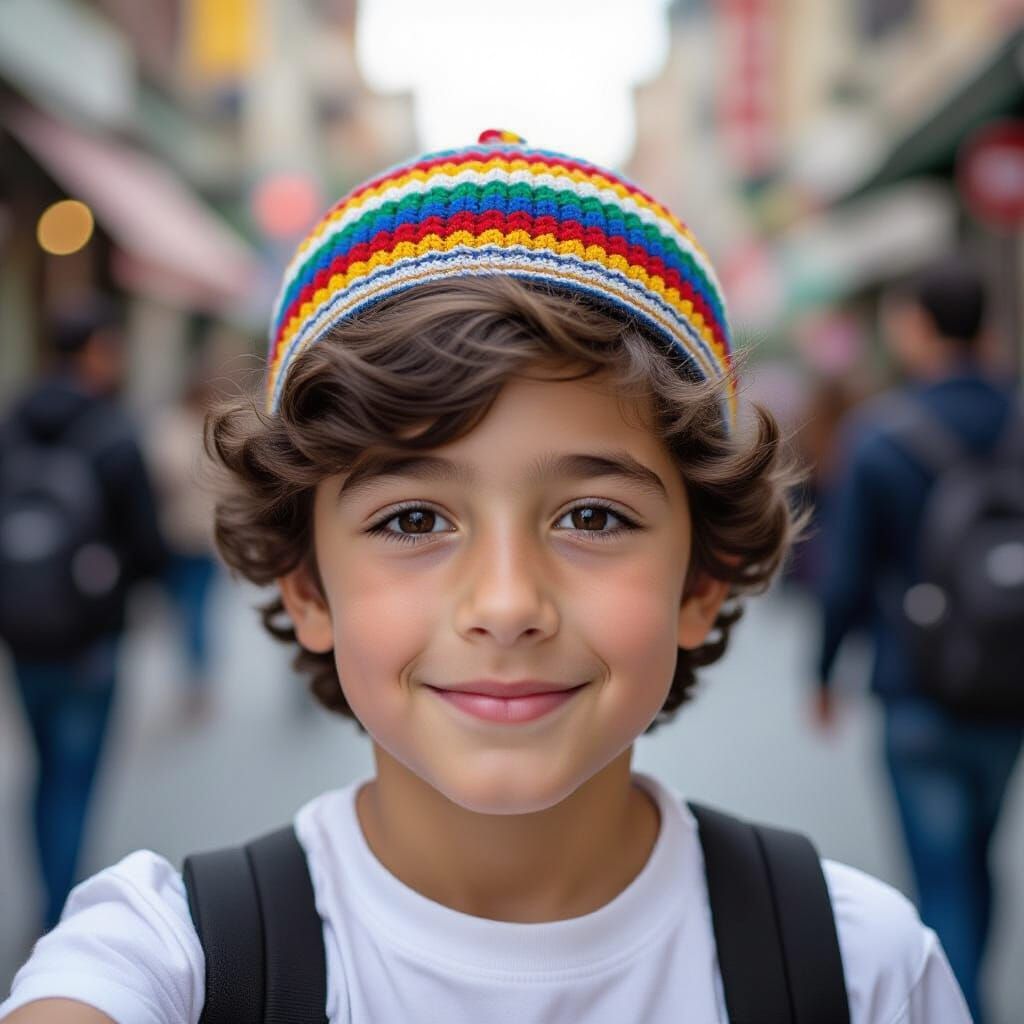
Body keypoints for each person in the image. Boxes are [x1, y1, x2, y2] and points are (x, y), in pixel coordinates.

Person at [1, 133, 970, 1023]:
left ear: (701, 578)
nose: (506, 604)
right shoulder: (173, 961)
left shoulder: (859, 970)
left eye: (593, 517)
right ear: (306, 586)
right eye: (413, 519)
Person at [815, 256, 1023, 1023]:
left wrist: (825, 672)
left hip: (916, 683)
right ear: (986, 326)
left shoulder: (881, 436)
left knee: (940, 875)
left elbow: (844, 573)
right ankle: (976, 999)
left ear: (918, 328)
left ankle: (959, 1006)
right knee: (979, 857)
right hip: (1009, 681)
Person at [0, 296, 167, 936]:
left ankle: (46, 884)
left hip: (23, 634)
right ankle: (58, 912)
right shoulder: (113, 431)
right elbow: (148, 546)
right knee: (76, 774)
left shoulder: (12, 422)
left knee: (41, 768)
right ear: (96, 350)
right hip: (92, 637)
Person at [145, 368, 221, 722]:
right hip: (176, 537)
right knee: (186, 612)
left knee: (194, 612)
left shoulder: (211, 426)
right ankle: (194, 675)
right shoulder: (174, 426)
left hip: (202, 539)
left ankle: (195, 678)